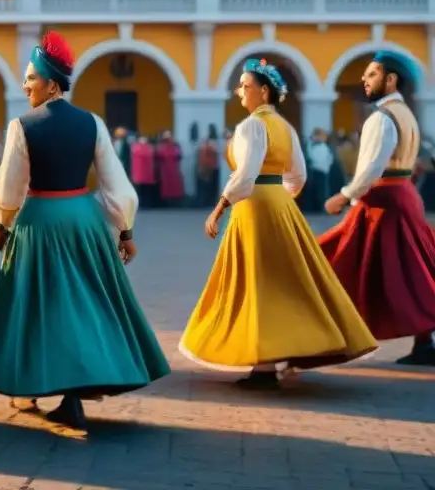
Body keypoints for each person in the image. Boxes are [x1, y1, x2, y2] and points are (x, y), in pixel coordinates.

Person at [0, 32, 169, 430]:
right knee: (86, 302)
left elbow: (9, 186)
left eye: (30, 78)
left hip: (40, 221)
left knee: (39, 306)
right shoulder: (92, 123)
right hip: (83, 220)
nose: (24, 85)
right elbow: (116, 183)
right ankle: (74, 391)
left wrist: (2, 223)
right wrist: (125, 231)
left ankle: (37, 383)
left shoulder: (22, 126)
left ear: (51, 82)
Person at [181, 58, 377, 389]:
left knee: (257, 282)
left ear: (264, 90)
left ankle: (264, 364)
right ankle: (276, 355)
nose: (239, 90)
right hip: (279, 203)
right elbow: (297, 175)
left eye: (245, 85)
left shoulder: (251, 126)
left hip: (253, 206)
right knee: (285, 279)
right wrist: (281, 198)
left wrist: (220, 206)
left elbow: (245, 175)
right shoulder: (286, 128)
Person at [318, 51, 435, 366]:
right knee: (412, 268)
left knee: (333, 260)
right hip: (404, 195)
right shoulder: (406, 114)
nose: (364, 80)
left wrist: (343, 196)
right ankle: (424, 341)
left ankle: (321, 333)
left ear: (390, 79)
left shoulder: (381, 118)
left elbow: (370, 168)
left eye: (371, 74)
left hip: (381, 200)